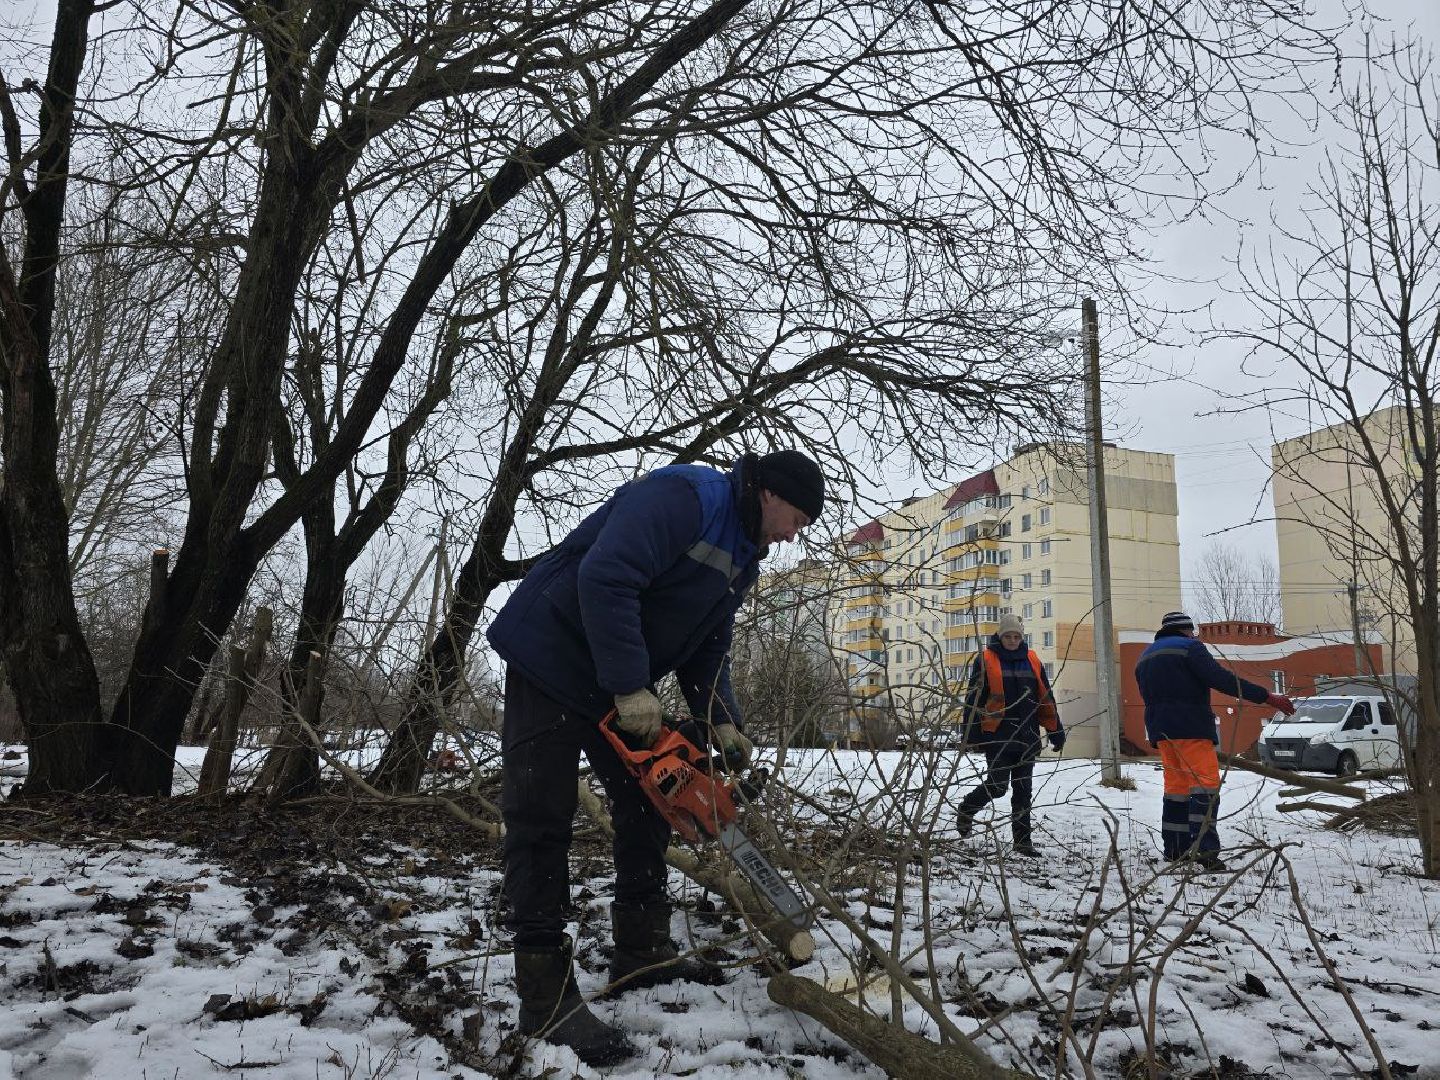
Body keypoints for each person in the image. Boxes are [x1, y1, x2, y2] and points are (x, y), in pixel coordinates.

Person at [486, 449, 824, 1066]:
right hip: (553, 651)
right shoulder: (684, 497)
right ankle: (545, 995)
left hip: (615, 676)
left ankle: (641, 951)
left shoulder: (745, 554)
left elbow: (708, 640)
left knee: (650, 802)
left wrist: (722, 719)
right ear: (769, 493)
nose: (795, 532)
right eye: (797, 517)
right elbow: (607, 576)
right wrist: (629, 683)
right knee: (541, 816)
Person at [1134, 610, 1296, 872]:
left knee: (1177, 789)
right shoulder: (1190, 648)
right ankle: (1205, 851)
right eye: (1192, 631)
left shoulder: (1146, 656)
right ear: (1186, 631)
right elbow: (1221, 680)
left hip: (1160, 731)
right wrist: (1266, 697)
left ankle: (1175, 849)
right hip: (1191, 728)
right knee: (1204, 787)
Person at [955, 613, 1064, 857]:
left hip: (1027, 735)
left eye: (1016, 636)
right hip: (998, 735)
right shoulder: (985, 659)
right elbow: (974, 698)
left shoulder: (1032, 659)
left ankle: (1023, 842)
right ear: (1000, 636)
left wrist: (1056, 730)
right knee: (997, 786)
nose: (1012, 640)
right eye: (1008, 636)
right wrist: (969, 735)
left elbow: (1045, 697)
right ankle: (967, 808)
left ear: (1021, 637)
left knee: (1023, 791)